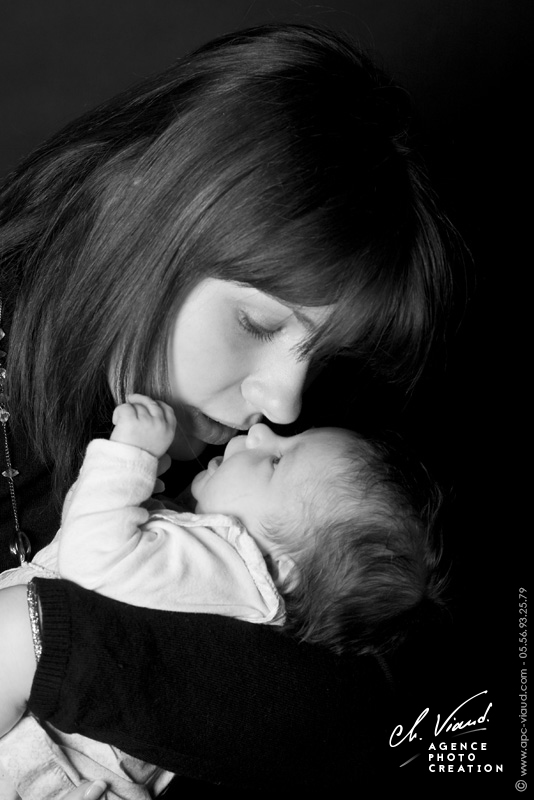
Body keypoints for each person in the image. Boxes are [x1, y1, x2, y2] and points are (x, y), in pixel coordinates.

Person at [0, 22, 457, 795]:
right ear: (155, 223)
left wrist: (45, 648)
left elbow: (391, 722)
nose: (283, 404)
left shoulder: (318, 457)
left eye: (323, 353)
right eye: (257, 322)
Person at [0, 391, 444, 797]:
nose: (259, 432)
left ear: (283, 570)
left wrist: (128, 457)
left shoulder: (225, 571)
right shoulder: (225, 584)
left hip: (37, 746)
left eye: (276, 461)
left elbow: (90, 560)